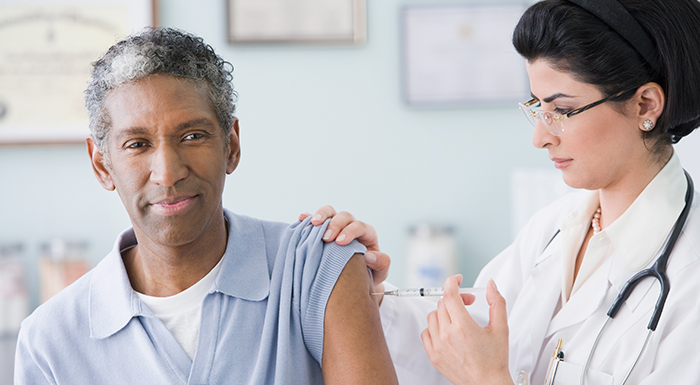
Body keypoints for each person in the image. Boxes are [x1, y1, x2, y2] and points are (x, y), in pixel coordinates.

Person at [305, 0, 700, 384]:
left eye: (561, 111)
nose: (540, 137)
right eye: (536, 107)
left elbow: (481, 369)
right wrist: (365, 297)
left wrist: (487, 380)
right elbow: (469, 341)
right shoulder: (552, 229)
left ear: (645, 104)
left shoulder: (690, 280)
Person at [14, 28, 398, 385]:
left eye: (193, 136)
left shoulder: (317, 266)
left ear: (231, 145)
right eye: (137, 144)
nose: (168, 173)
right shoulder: (50, 341)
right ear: (102, 164)